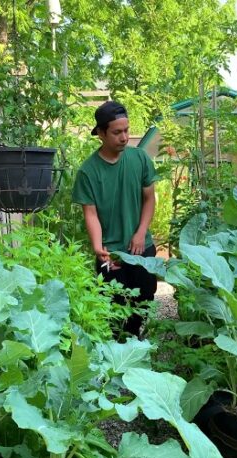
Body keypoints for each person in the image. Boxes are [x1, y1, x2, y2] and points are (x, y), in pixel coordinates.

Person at [72, 100, 158, 340]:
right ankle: (117, 351)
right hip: (110, 252)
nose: (124, 137)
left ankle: (135, 341)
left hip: (140, 245)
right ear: (100, 133)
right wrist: (99, 248)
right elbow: (91, 213)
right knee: (112, 306)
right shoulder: (88, 171)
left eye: (127, 130)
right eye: (117, 132)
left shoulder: (139, 159)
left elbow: (149, 199)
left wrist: (141, 232)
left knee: (145, 297)